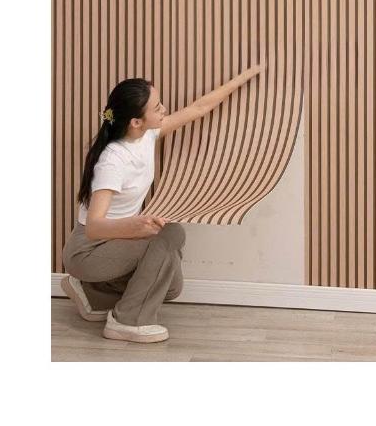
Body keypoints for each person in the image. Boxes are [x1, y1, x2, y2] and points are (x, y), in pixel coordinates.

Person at [61, 63, 264, 343]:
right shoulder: (113, 160)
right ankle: (127, 321)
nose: (164, 110)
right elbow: (94, 227)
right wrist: (135, 226)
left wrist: (248, 74)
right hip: (89, 250)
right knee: (169, 235)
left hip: (115, 243)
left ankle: (93, 293)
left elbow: (199, 108)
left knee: (170, 287)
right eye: (157, 108)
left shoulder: (147, 135)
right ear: (136, 121)